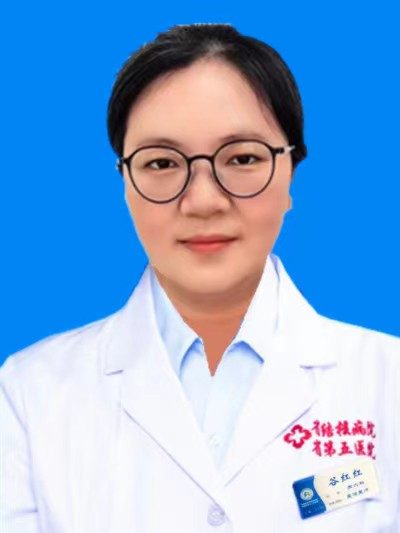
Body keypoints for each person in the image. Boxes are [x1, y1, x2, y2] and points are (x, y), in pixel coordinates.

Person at [1, 23, 399, 533]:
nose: (203, 201)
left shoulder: (388, 382)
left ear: (291, 174)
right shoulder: (28, 394)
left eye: (243, 158)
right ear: (125, 183)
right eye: (162, 163)